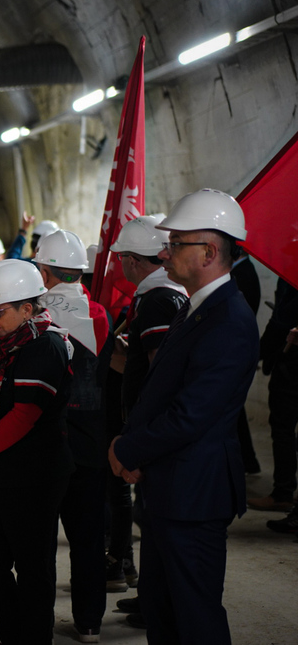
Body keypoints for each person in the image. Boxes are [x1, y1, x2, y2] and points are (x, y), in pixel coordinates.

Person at [108, 189, 259, 645]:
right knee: (163, 607)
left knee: (194, 615)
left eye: (176, 244)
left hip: (195, 492)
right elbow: (161, 388)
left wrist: (128, 447)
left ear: (210, 252)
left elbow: (191, 414)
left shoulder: (228, 318)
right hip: (170, 483)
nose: (165, 252)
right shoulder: (197, 306)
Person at [0, 258, 73, 645]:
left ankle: (33, 639)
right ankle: (15, 637)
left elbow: (24, 414)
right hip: (0, 468)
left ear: (28, 309)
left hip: (34, 473)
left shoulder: (46, 346)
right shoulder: (4, 347)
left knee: (33, 565)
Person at [106, 214, 187, 615]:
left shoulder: (155, 300)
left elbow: (160, 371)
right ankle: (153, 597)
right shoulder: (169, 293)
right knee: (149, 518)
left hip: (153, 430)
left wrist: (141, 438)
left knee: (154, 518)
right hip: (158, 429)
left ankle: (158, 603)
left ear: (134, 261)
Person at [34, 230, 112, 643]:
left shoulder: (32, 313)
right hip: (91, 444)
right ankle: (89, 621)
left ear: (44, 271)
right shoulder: (101, 314)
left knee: (40, 541)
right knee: (87, 539)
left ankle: (39, 623)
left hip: (44, 444)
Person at [251, 278, 298, 512]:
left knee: (283, 430)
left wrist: (257, 354)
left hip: (291, 365)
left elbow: (281, 320)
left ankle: (283, 493)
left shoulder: (291, 275)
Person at [230, 252, 262, 474]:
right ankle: (248, 460)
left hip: (236, 350)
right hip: (238, 350)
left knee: (233, 408)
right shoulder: (242, 271)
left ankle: (247, 460)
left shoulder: (243, 274)